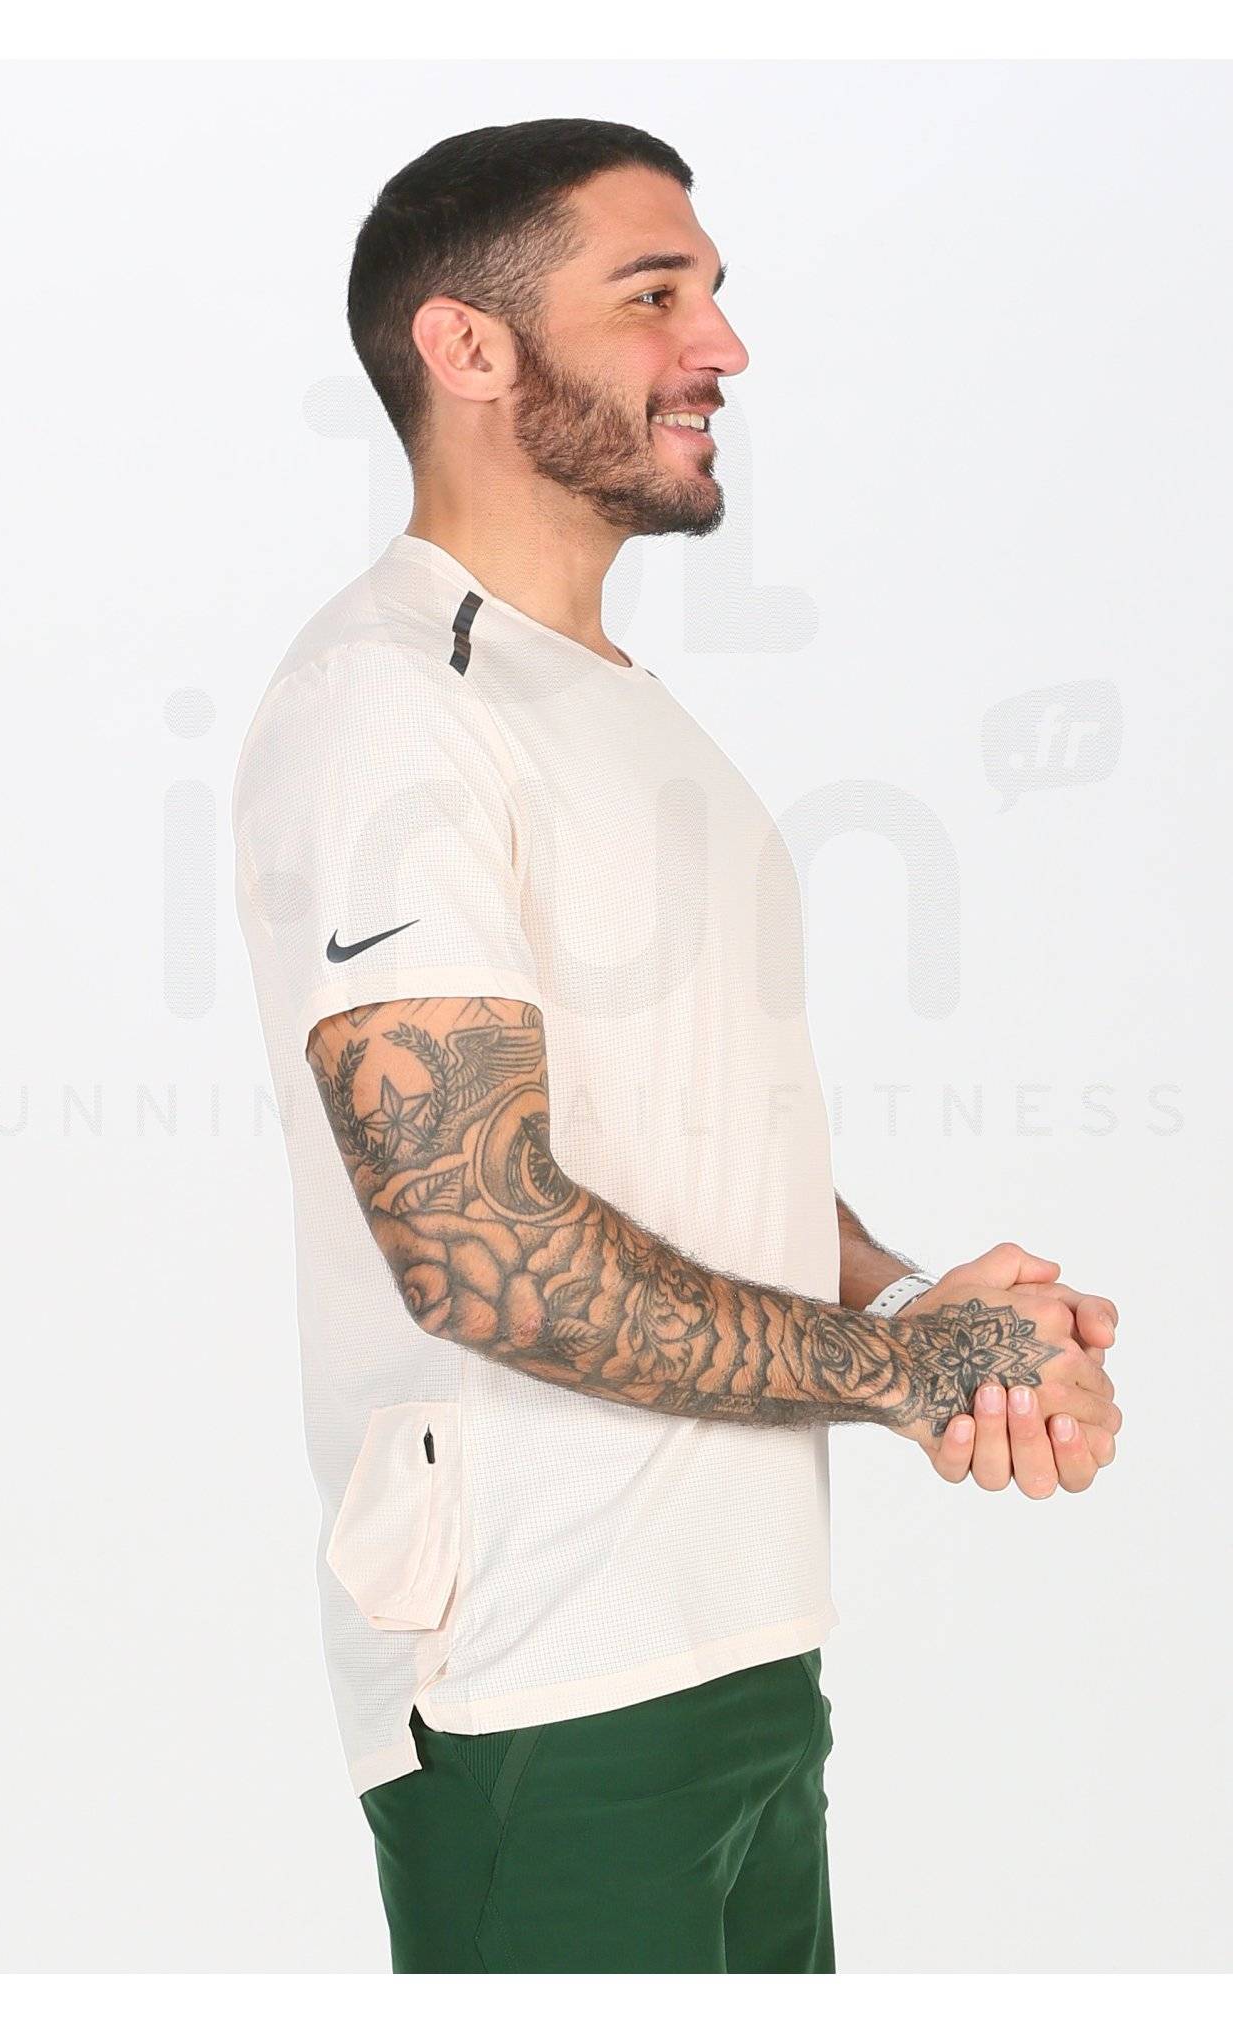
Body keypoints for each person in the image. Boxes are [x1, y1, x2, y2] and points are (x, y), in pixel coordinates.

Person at [230, 117, 1122, 1975]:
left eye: (711, 293)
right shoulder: (388, 705)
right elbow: (484, 1247)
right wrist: (898, 1369)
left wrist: (929, 1314)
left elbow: (697, 1161)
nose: (723, 346)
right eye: (654, 296)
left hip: (745, 1631)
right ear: (467, 347)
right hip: (543, 1679)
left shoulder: (628, 715)